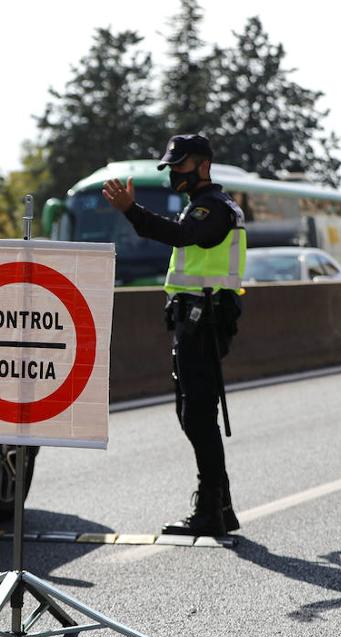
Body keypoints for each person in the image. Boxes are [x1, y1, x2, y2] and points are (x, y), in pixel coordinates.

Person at [101, 134, 245, 538]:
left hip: (204, 318)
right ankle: (221, 505)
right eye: (170, 167)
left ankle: (211, 509)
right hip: (197, 317)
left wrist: (132, 211)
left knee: (197, 415)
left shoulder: (212, 208)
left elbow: (178, 236)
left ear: (203, 165)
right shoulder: (207, 206)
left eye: (180, 166)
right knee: (194, 414)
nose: (173, 174)